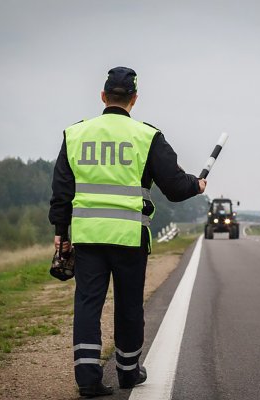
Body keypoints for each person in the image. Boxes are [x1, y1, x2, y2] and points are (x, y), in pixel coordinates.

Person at [49, 66, 206, 398]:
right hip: (129, 238)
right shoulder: (147, 137)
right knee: (129, 304)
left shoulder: (75, 134)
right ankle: (128, 371)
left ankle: (88, 379)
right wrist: (197, 184)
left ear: (103, 97)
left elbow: (62, 190)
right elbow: (176, 188)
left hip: (88, 237)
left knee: (88, 303)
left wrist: (60, 233)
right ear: (134, 99)